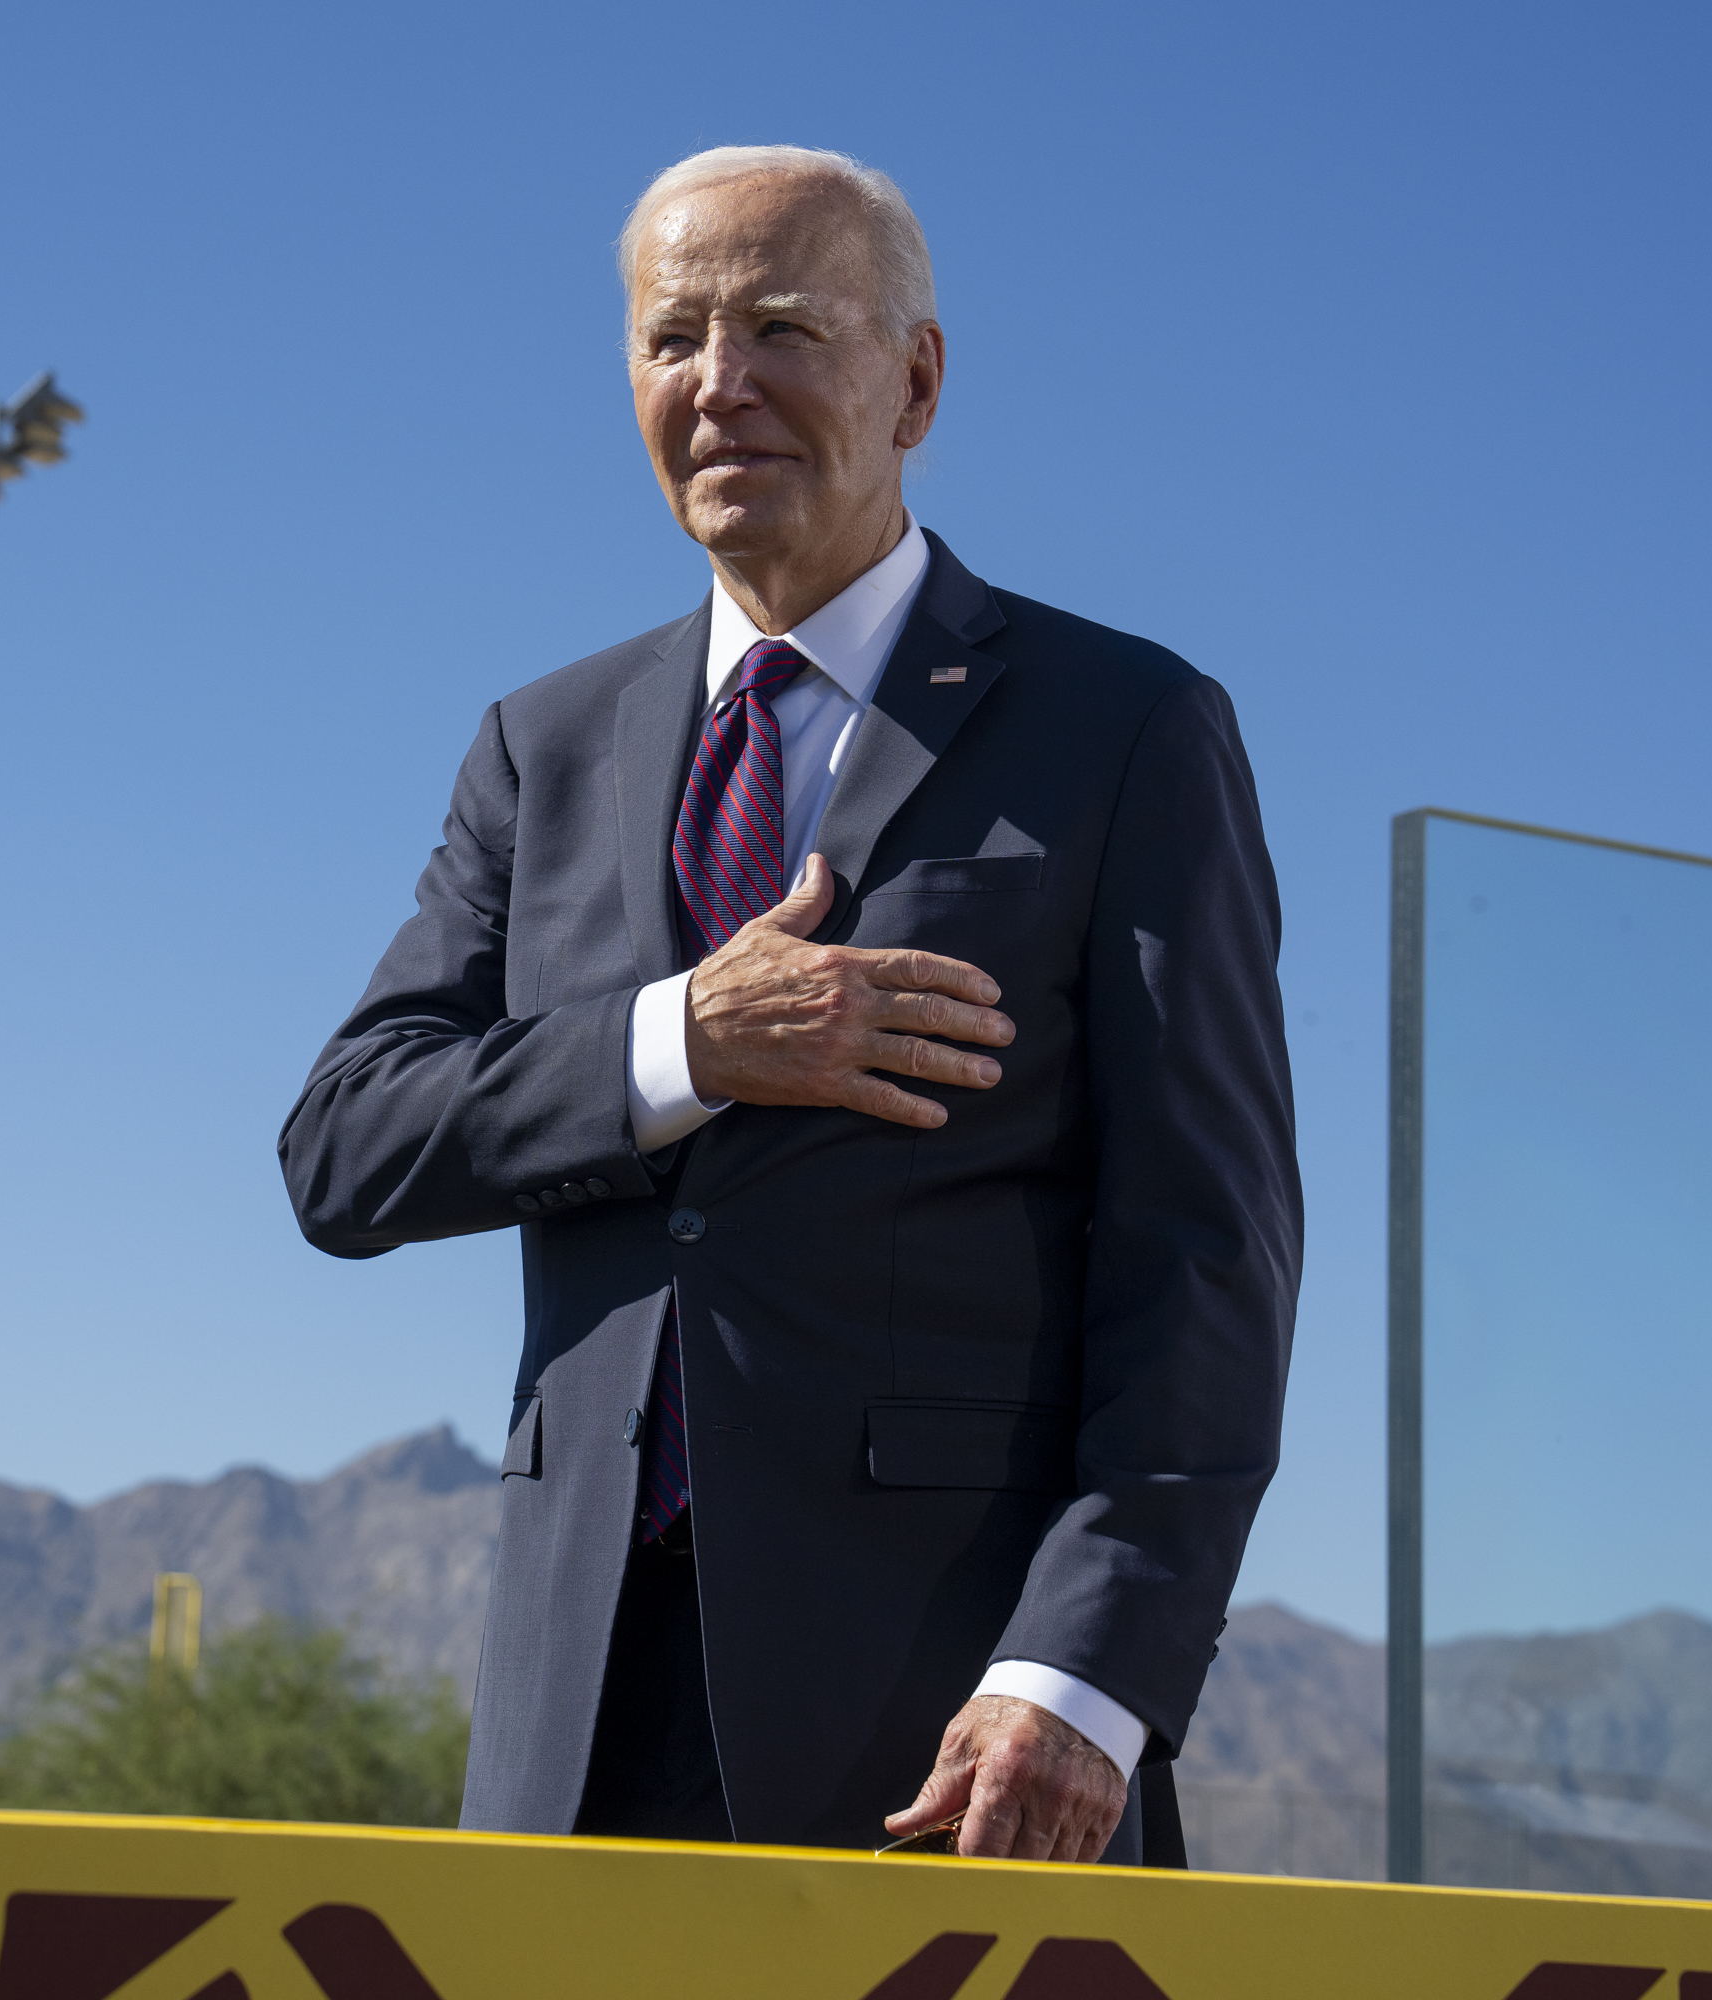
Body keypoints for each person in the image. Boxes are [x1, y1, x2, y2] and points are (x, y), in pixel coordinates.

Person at [277, 144, 1300, 1863]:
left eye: (781, 329)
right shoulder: (542, 745)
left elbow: (1206, 1254)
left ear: (917, 381)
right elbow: (344, 1147)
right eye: (672, 339)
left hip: (954, 1729)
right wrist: (683, 1040)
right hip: (577, 1724)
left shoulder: (1126, 727)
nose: (719, 384)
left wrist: (1081, 1674)